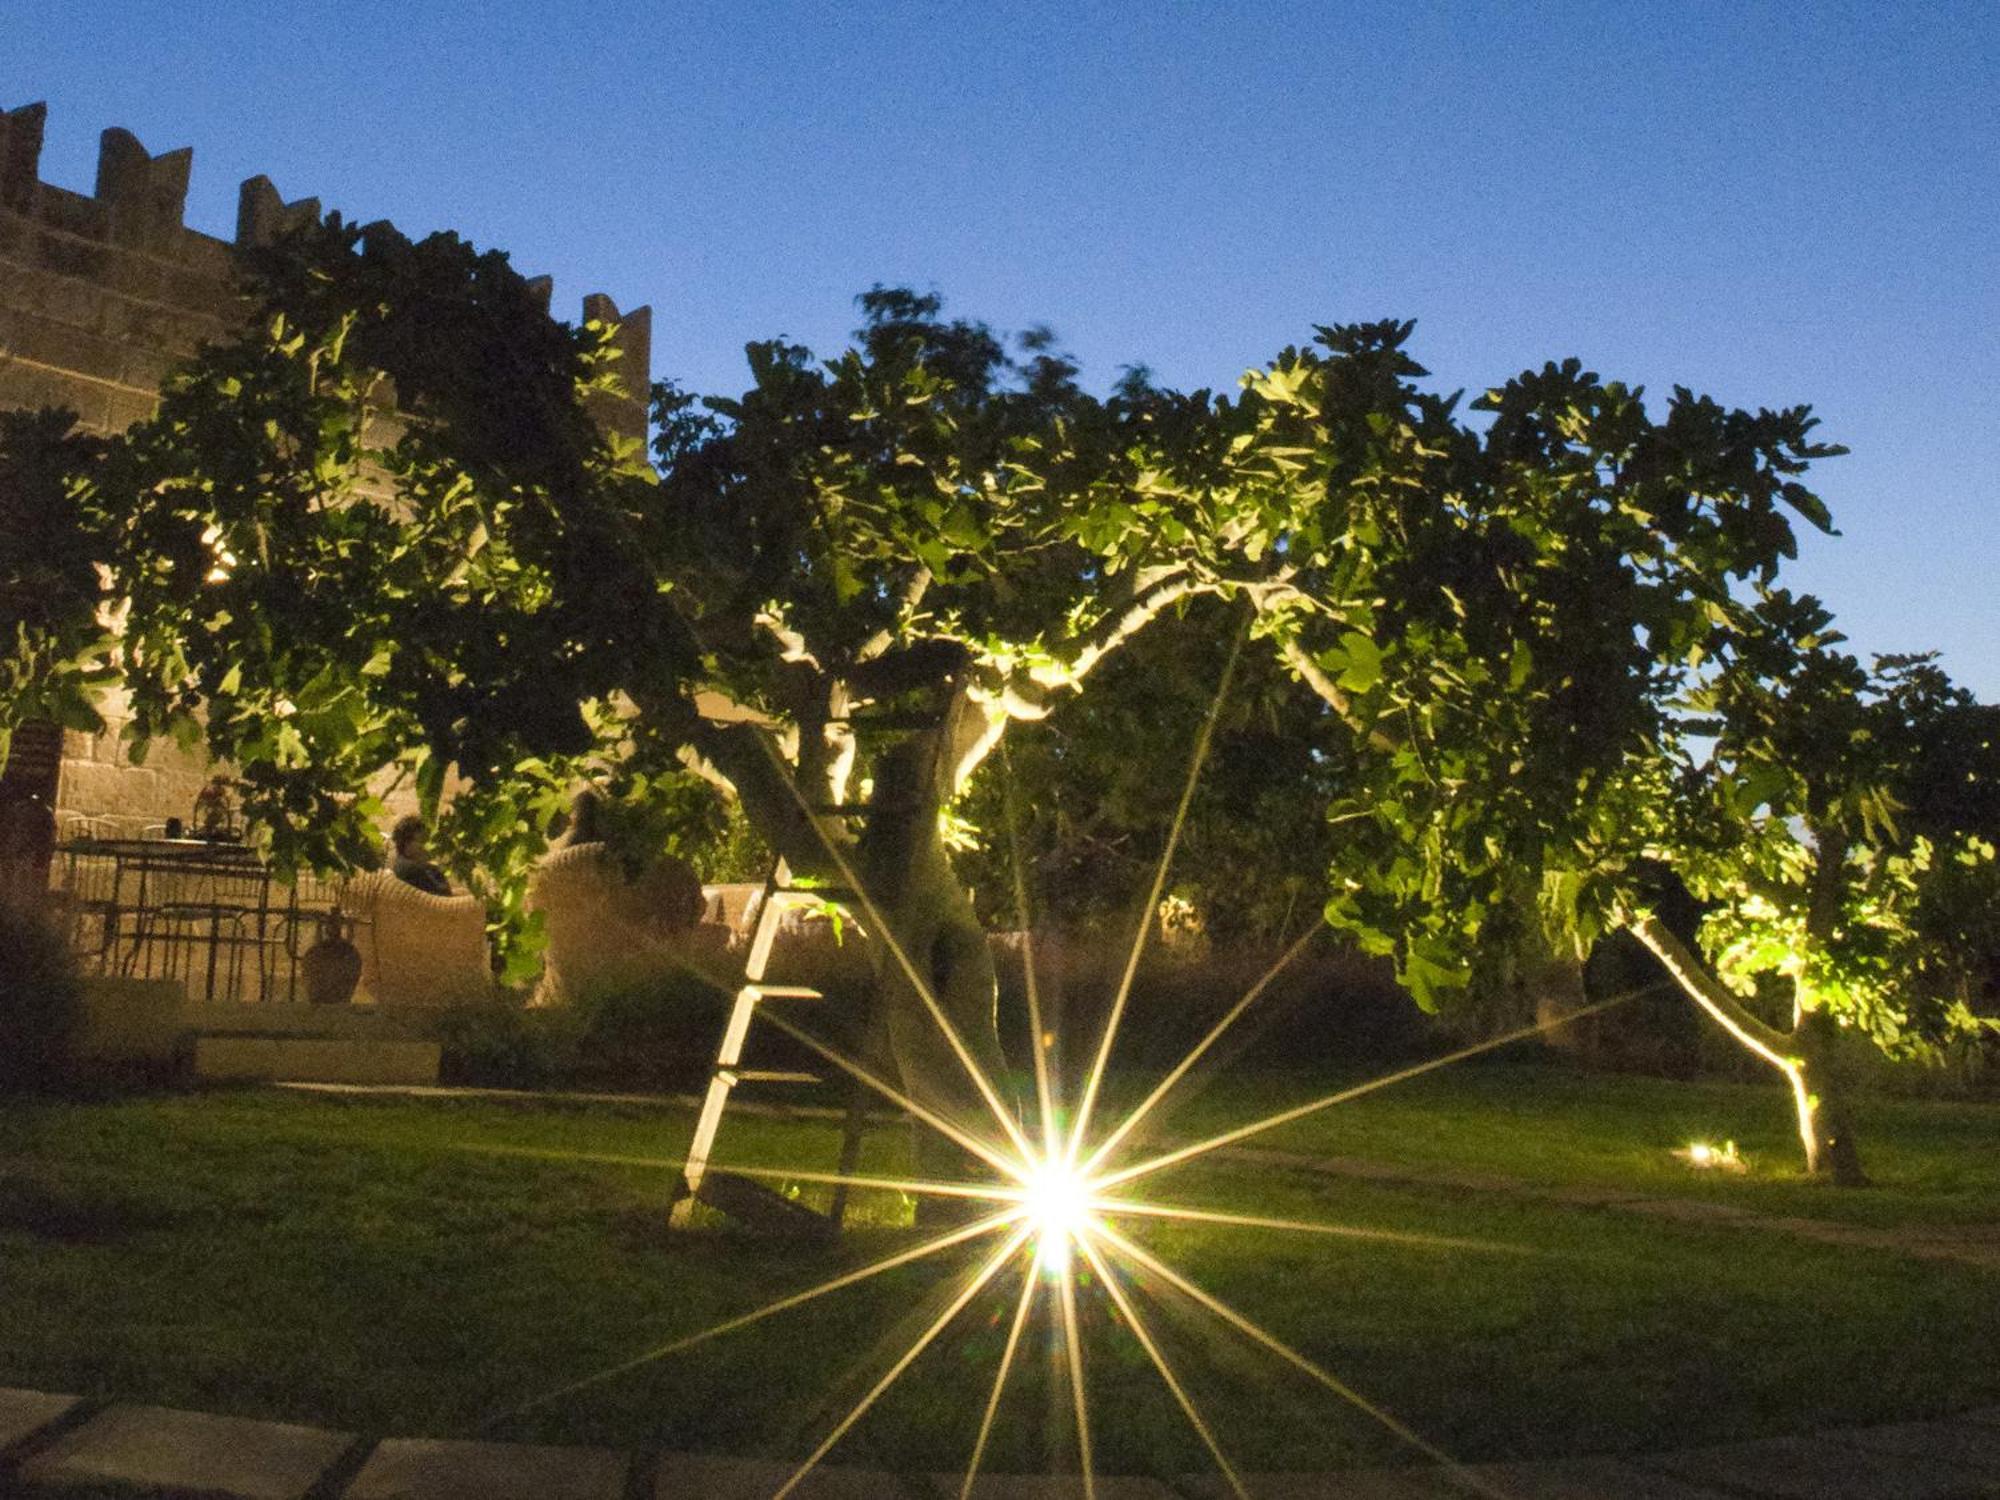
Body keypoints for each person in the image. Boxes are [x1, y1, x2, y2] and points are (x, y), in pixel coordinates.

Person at [388, 815, 452, 897]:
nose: (429, 846)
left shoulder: (402, 864)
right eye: (423, 841)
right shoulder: (411, 870)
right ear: (407, 844)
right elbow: (444, 900)